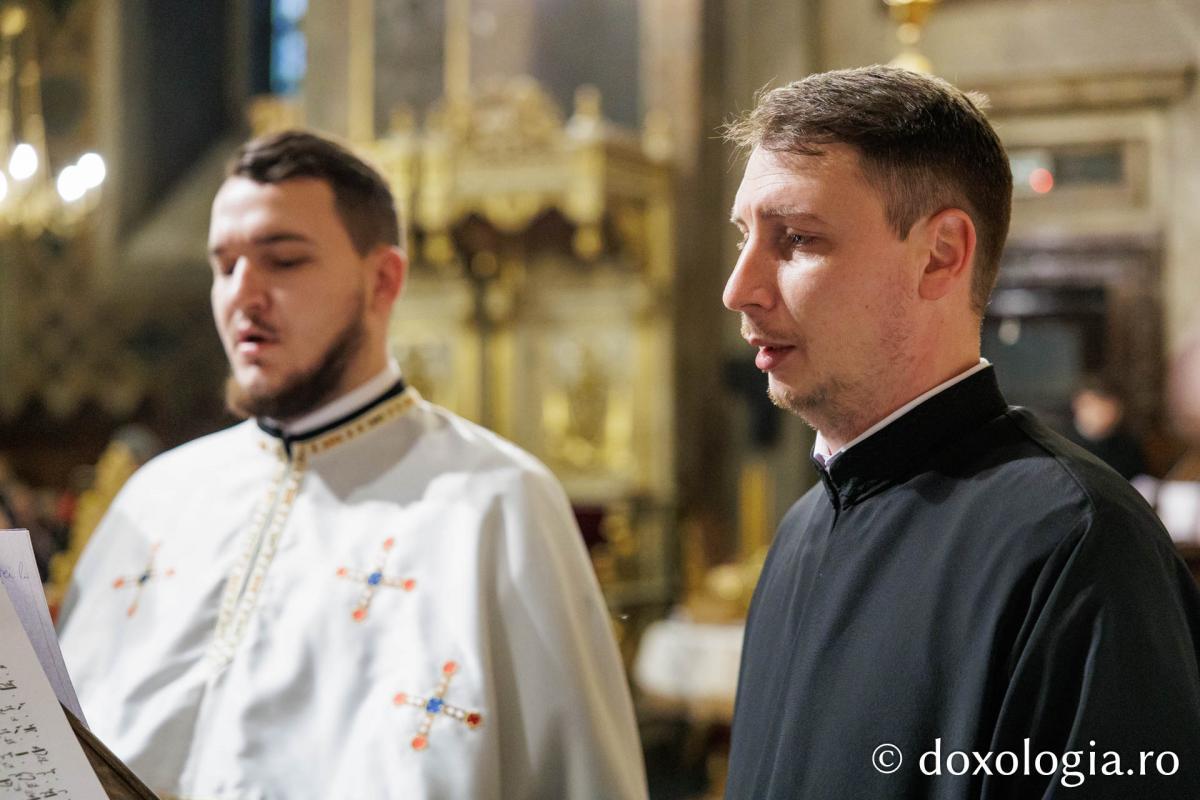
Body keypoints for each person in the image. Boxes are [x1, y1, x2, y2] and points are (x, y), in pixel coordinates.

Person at [58, 130, 648, 800]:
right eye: (224, 266)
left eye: (283, 260)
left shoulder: (497, 505)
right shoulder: (156, 497)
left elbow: (583, 781)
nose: (242, 295)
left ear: (382, 281)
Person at [721, 66, 1200, 799]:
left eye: (798, 239)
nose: (738, 289)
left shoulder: (1076, 544)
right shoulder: (800, 532)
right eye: (744, 237)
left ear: (941, 254)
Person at [1065, 376, 1147, 480]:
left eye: (1107, 409)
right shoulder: (1061, 443)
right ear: (1078, 404)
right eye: (1094, 407)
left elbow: (1139, 481)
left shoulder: (1128, 446)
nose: (1102, 414)